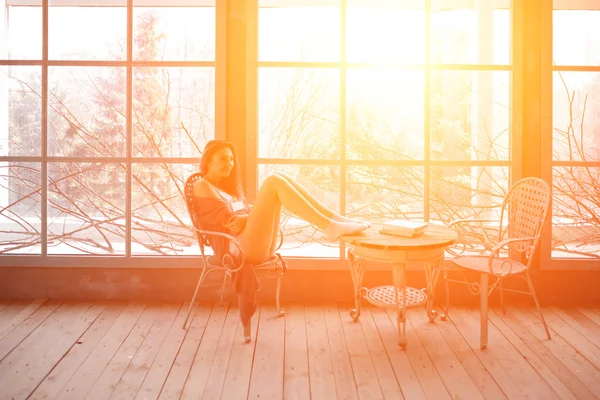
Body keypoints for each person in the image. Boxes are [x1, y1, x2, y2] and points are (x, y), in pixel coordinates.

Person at [191, 140, 370, 266]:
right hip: (236, 250)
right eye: (223, 159)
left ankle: (335, 220)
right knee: (273, 181)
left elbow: (241, 216)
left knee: (281, 178)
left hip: (251, 245)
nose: (229, 164)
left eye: (231, 159)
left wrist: (246, 217)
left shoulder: (225, 188)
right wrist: (246, 217)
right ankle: (329, 226)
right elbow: (231, 223)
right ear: (208, 160)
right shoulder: (202, 185)